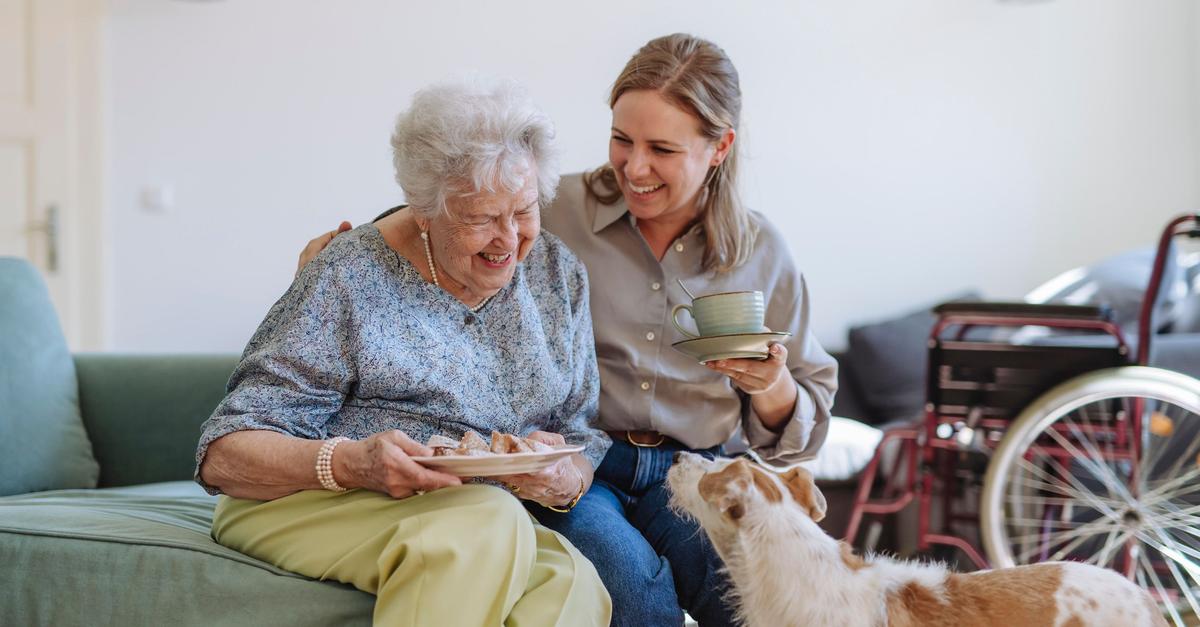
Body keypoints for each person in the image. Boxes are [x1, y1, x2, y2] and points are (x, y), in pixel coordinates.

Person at [300, 34, 837, 627]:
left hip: (695, 470)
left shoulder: (763, 253)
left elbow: (804, 423)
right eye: (621, 140)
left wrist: (771, 383)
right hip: (579, 463)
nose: (635, 168)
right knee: (633, 593)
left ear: (719, 147)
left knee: (747, 592)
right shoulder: (550, 208)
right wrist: (339, 258)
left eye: (661, 148)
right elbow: (446, 216)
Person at [196, 78, 612, 627]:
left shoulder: (558, 277)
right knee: (488, 521)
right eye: (483, 218)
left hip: (467, 511)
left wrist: (562, 477)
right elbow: (224, 455)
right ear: (425, 210)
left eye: (524, 211)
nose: (509, 239)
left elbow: (579, 433)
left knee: (573, 583)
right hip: (308, 498)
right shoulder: (350, 272)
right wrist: (351, 463)